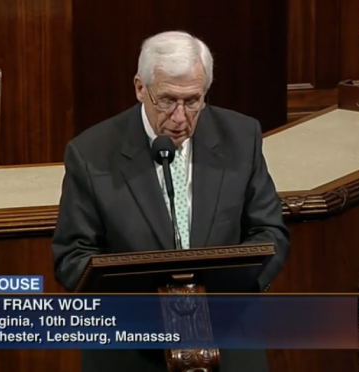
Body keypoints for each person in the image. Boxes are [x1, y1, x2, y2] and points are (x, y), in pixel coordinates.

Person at [52, 30, 290, 372]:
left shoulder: (241, 137)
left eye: (193, 101)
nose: (179, 118)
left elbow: (270, 233)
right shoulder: (91, 154)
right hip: (131, 349)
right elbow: (72, 257)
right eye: (166, 101)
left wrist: (225, 299)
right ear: (139, 88)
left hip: (227, 336)